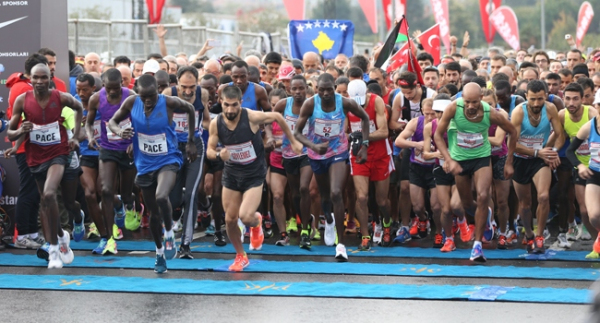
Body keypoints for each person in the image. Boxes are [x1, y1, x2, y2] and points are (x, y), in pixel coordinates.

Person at [206, 86, 302, 271]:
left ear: (241, 103)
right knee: (231, 219)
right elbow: (210, 150)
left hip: (254, 173)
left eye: (235, 105)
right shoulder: (216, 123)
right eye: (227, 105)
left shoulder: (250, 116)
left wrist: (293, 140)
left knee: (246, 215)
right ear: (221, 102)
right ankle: (241, 256)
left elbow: (277, 117)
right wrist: (219, 155)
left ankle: (256, 223)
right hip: (232, 173)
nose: (231, 110)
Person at [109, 74, 196, 273]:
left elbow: (190, 109)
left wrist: (190, 140)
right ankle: (159, 253)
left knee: (161, 196)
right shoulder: (132, 102)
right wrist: (120, 132)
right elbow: (112, 122)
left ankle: (169, 233)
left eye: (151, 96)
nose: (147, 101)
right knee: (153, 214)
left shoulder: (169, 102)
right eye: (143, 97)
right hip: (144, 163)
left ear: (158, 90)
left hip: (168, 159)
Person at [8, 64, 83, 269]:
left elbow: (79, 108)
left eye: (44, 77)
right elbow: (11, 131)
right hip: (35, 156)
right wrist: (20, 131)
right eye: (36, 78)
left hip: (58, 153)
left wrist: (76, 136)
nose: (40, 81)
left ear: (50, 77)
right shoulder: (22, 100)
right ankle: (60, 237)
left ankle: (53, 248)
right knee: (45, 200)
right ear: (29, 79)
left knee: (49, 194)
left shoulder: (61, 97)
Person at [434, 83, 517, 262]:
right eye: (467, 102)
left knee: (483, 196)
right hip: (460, 160)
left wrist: (509, 162)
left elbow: (513, 131)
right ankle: (486, 216)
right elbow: (437, 135)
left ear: (481, 99)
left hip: (481, 158)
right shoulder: (453, 108)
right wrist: (449, 160)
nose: (470, 106)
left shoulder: (490, 113)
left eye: (474, 102)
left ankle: (477, 246)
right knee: (465, 203)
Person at [294, 73, 370, 261]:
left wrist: (365, 145)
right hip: (316, 154)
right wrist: (312, 146)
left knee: (337, 192)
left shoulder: (345, 102)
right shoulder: (311, 104)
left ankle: (341, 245)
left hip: (338, 151)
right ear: (317, 88)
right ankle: (328, 219)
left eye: (329, 89)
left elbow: (365, 118)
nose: (326, 93)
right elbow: (296, 131)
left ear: (335, 87)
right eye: (322, 90)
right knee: (324, 195)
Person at [86, 68, 138, 255]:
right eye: (109, 89)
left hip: (128, 150)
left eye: (116, 88)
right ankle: (108, 239)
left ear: (122, 85)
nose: (113, 92)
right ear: (103, 86)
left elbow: (141, 119)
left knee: (125, 193)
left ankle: (127, 205)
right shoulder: (96, 99)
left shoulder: (131, 96)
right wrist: (91, 137)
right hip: (108, 149)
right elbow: (88, 123)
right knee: (106, 190)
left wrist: (135, 141)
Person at [510, 80, 564, 254]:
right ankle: (530, 234)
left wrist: (552, 151)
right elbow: (512, 144)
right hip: (520, 158)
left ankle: (540, 236)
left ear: (546, 96)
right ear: (526, 97)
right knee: (525, 204)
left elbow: (560, 135)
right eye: (532, 99)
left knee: (543, 196)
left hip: (539, 159)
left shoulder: (550, 109)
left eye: (540, 99)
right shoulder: (519, 112)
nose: (536, 103)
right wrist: (536, 152)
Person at [162, 66, 210, 259]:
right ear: (177, 84)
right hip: (173, 149)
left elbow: (206, 120)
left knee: (191, 193)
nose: (188, 92)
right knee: (171, 198)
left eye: (192, 87)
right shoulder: (168, 94)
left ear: (197, 84)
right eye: (184, 87)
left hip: (195, 148)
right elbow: (163, 122)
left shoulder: (203, 94)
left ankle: (186, 244)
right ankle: (175, 215)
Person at [422, 96, 472, 252]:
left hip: (459, 167)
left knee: (456, 205)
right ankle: (449, 239)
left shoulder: (460, 124)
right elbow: (425, 154)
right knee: (444, 209)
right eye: (437, 112)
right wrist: (438, 155)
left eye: (442, 112)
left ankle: (463, 221)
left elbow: (468, 146)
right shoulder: (430, 127)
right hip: (441, 169)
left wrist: (451, 159)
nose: (439, 116)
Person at [347, 80, 392, 248]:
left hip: (380, 154)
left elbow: (384, 131)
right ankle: (365, 235)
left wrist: (363, 137)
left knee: (382, 200)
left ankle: (387, 224)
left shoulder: (376, 101)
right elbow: (345, 131)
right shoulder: (347, 105)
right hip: (358, 155)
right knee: (362, 196)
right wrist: (351, 138)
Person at [273, 75, 314, 247]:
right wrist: (269, 137)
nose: (298, 92)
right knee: (295, 193)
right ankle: (307, 219)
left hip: (307, 153)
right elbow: (270, 121)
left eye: (301, 88)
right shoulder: (283, 105)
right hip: (288, 154)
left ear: (306, 88)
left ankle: (305, 230)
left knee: (305, 188)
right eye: (294, 89)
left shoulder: (313, 105)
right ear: (289, 90)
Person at [396, 98, 442, 246]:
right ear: (422, 111)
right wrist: (416, 144)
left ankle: (439, 232)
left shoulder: (442, 125)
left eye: (433, 114)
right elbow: (399, 141)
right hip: (417, 167)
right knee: (417, 206)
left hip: (435, 168)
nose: (429, 117)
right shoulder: (416, 122)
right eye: (427, 113)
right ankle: (422, 219)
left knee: (436, 206)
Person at [555, 82, 597, 247]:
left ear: (582, 99)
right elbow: (561, 140)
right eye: (568, 99)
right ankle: (597, 243)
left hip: (597, 167)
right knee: (585, 211)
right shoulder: (562, 115)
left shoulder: (592, 114)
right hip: (580, 167)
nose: (571, 103)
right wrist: (549, 151)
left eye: (575, 99)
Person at [482, 88, 515, 248]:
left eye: (490, 104)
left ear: (495, 103)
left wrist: (475, 136)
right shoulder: (474, 114)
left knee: (502, 200)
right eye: (484, 104)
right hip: (484, 156)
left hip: (500, 156)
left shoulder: (500, 115)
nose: (487, 107)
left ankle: (503, 231)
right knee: (485, 194)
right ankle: (491, 224)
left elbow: (497, 140)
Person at [566, 111, 600, 259]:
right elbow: (570, 151)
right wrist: (579, 166)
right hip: (595, 173)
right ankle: (597, 241)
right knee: (593, 216)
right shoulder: (589, 126)